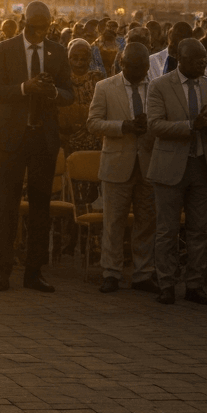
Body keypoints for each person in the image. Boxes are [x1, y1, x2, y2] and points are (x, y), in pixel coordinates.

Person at [0, 1, 73, 293]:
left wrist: (53, 92)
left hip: (43, 138)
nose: (40, 33)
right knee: (7, 205)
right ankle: (2, 271)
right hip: (13, 137)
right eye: (35, 28)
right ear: (25, 24)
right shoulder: (5, 48)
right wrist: (26, 87)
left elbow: (69, 93)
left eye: (45, 28)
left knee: (40, 207)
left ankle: (34, 272)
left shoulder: (58, 51)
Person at [146, 38, 207, 306]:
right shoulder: (160, 85)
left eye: (204, 60)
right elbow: (155, 125)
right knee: (167, 230)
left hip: (201, 166)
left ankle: (194, 284)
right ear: (180, 60)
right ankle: (166, 284)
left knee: (199, 230)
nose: (202, 64)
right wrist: (192, 125)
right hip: (170, 167)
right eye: (196, 61)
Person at [86, 42, 158, 294]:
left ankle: (143, 273)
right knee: (113, 222)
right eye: (134, 67)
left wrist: (152, 125)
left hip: (148, 164)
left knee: (147, 222)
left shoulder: (156, 87)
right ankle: (111, 272)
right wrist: (123, 126)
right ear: (121, 63)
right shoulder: (105, 87)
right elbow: (93, 123)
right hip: (117, 163)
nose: (140, 72)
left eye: (144, 67)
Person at [61, 38, 105, 216]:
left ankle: (91, 228)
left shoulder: (98, 81)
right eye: (74, 57)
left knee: (93, 193)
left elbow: (103, 111)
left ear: (90, 59)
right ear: (68, 58)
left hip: (94, 143)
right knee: (70, 194)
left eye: (83, 58)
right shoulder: (61, 81)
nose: (79, 62)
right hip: (68, 143)